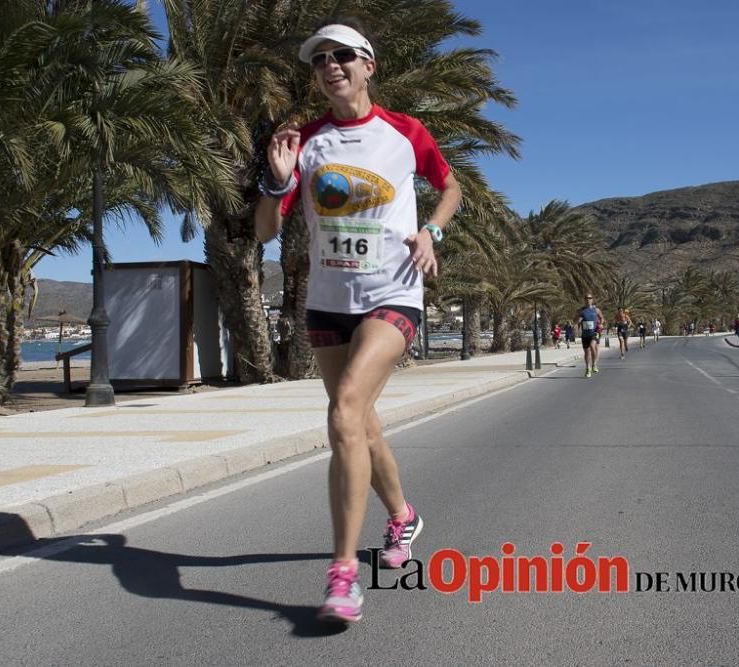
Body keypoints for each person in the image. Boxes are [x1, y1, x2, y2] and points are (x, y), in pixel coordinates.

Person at [254, 18, 462, 624]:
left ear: (369, 65)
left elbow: (450, 187)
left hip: (393, 293)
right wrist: (275, 177)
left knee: (343, 410)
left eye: (342, 55)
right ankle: (403, 518)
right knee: (360, 424)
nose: (330, 66)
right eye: (319, 60)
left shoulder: (404, 132)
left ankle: (343, 573)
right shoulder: (307, 140)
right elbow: (267, 230)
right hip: (326, 299)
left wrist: (432, 230)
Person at [575, 294, 603, 378]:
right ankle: (588, 368)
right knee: (587, 353)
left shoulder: (596, 310)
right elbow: (574, 320)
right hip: (585, 334)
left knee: (592, 346)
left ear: (592, 300)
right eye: (586, 298)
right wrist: (578, 320)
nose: (588, 299)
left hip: (594, 332)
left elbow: (601, 318)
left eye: (590, 298)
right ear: (584, 300)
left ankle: (594, 364)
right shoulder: (581, 311)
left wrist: (601, 324)